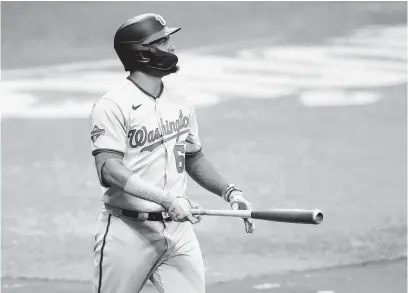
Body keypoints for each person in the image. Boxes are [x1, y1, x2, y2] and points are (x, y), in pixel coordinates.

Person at [90, 13, 255, 293]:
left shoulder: (180, 102)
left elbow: (192, 156)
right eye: (163, 41)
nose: (172, 47)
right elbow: (109, 169)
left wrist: (231, 193)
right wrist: (167, 199)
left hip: (179, 231)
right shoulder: (112, 105)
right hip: (128, 231)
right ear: (143, 52)